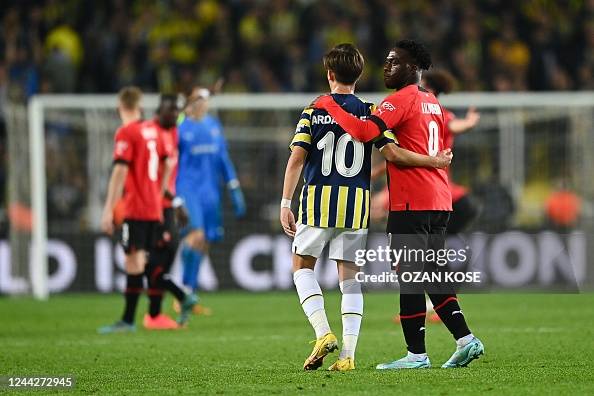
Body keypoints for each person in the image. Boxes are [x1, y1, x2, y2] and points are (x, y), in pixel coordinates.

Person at [313, 40, 484, 369]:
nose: (387, 67)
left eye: (394, 62)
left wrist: (330, 105)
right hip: (439, 199)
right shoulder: (431, 101)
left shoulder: (399, 100)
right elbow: (396, 148)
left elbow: (363, 132)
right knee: (434, 274)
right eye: (387, 61)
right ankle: (466, 340)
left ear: (413, 68)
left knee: (411, 277)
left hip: (412, 202)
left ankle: (416, 355)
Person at [281, 43, 453, 372]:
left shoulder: (316, 108)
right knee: (350, 280)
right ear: (359, 76)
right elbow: (391, 151)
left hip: (319, 199)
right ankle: (348, 356)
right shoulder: (371, 110)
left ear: (329, 74)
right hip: (357, 204)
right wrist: (433, 161)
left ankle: (322, 332)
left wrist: (286, 202)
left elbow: (296, 159)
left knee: (302, 267)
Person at [98, 86, 165, 333]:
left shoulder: (126, 132)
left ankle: (127, 320)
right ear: (139, 105)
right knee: (141, 259)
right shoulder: (153, 131)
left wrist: (108, 209)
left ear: (120, 107)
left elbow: (120, 170)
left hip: (135, 206)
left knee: (132, 261)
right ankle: (160, 306)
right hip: (154, 205)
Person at [175, 86, 246, 314]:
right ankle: (182, 293)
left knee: (204, 242)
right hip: (187, 189)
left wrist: (234, 186)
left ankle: (189, 295)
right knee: (195, 236)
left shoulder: (214, 126)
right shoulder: (180, 127)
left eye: (205, 99)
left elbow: (223, 158)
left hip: (210, 192)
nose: (203, 104)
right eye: (199, 99)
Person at [142, 94, 198, 329]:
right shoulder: (149, 134)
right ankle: (171, 305)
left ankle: (159, 312)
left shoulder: (172, 130)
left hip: (165, 208)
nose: (176, 115)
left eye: (177, 112)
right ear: (159, 111)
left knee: (155, 265)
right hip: (153, 207)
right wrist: (176, 203)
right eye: (171, 111)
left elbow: (184, 111)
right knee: (150, 265)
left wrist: (205, 96)